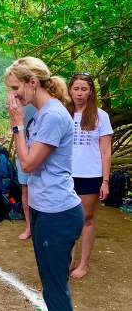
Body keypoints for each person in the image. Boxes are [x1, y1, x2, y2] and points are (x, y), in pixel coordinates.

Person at [5, 56, 83, 311]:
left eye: (15, 88)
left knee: (55, 286)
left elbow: (27, 163)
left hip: (58, 213)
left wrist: (16, 124)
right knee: (50, 283)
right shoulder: (42, 115)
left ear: (32, 83)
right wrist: (22, 122)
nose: (13, 97)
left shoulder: (51, 117)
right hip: (44, 210)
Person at [67, 72, 113, 279]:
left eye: (84, 89)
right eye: (76, 88)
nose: (79, 93)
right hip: (65, 174)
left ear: (91, 91)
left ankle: (84, 264)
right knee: (67, 217)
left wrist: (105, 181)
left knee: (86, 218)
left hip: (90, 175)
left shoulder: (100, 116)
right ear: (69, 90)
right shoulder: (63, 113)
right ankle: (69, 259)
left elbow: (105, 151)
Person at [16, 103, 38, 239]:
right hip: (23, 151)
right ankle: (29, 227)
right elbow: (15, 129)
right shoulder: (18, 105)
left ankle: (39, 227)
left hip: (40, 151)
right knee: (25, 189)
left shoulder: (44, 103)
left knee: (40, 187)